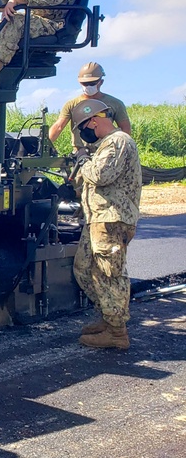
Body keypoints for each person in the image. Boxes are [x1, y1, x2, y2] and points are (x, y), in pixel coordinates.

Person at [70, 98, 142, 350]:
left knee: (109, 274)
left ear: (94, 121)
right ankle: (108, 317)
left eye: (84, 128)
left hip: (112, 219)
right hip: (98, 219)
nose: (84, 134)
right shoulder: (105, 146)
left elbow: (101, 175)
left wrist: (82, 159)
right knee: (84, 268)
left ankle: (117, 333)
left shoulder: (118, 141)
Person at [49, 61, 132, 149]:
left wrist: (122, 149)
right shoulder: (71, 104)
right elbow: (58, 126)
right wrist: (44, 146)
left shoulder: (115, 104)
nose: (88, 86)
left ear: (101, 82)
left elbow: (125, 129)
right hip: (80, 152)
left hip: (106, 150)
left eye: (92, 83)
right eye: (85, 83)